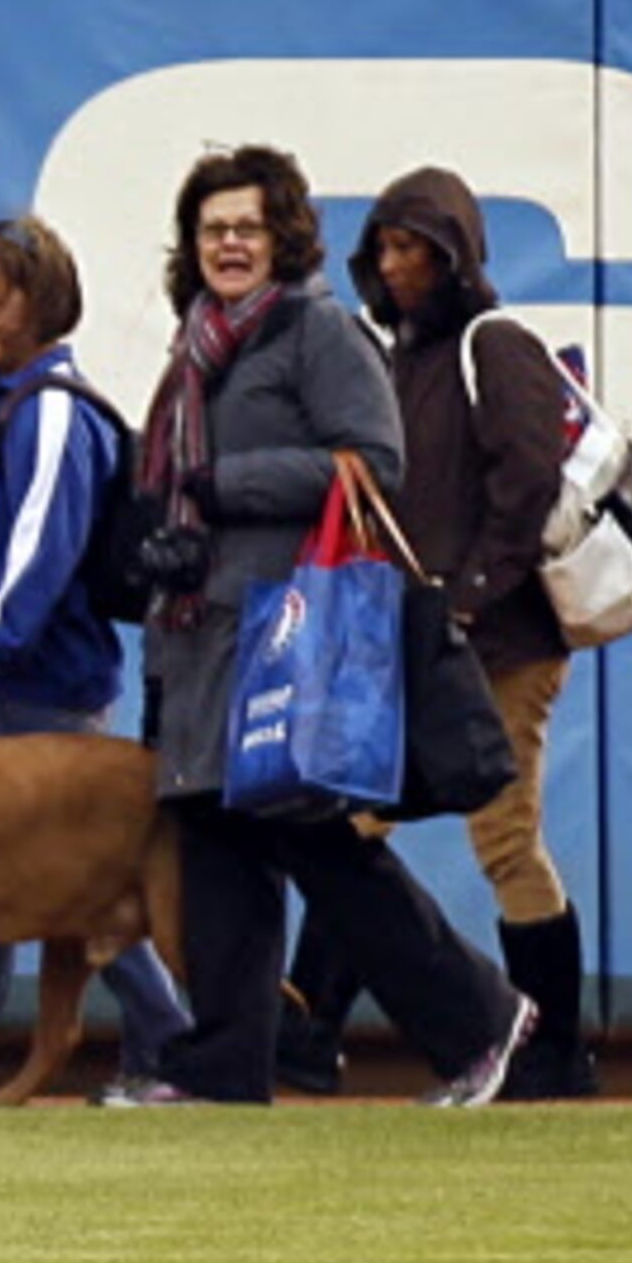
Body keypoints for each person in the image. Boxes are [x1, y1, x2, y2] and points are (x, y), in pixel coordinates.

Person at [122, 145, 532, 1107]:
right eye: (213, 227)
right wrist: (164, 545)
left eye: (247, 227)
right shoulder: (194, 347)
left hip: (284, 634)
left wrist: (225, 488)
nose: (229, 243)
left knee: (317, 845)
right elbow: (170, 487)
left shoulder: (316, 332)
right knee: (218, 851)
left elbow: (371, 463)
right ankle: (225, 1069)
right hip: (197, 635)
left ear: (283, 239)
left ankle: (480, 1018)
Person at [273, 167, 595, 1099]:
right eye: (386, 247)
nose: (399, 264)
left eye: (418, 247)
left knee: (502, 837)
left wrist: (470, 593)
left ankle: (551, 1051)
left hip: (501, 643)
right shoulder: (394, 357)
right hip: (419, 639)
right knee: (354, 820)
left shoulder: (495, 345)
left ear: (459, 256)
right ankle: (310, 1034)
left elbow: (528, 479)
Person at [0, 215, 195, 1100]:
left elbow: (40, 551)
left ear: (40, 303)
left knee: (26, 889)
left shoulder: (48, 411)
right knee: (44, 892)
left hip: (37, 693)